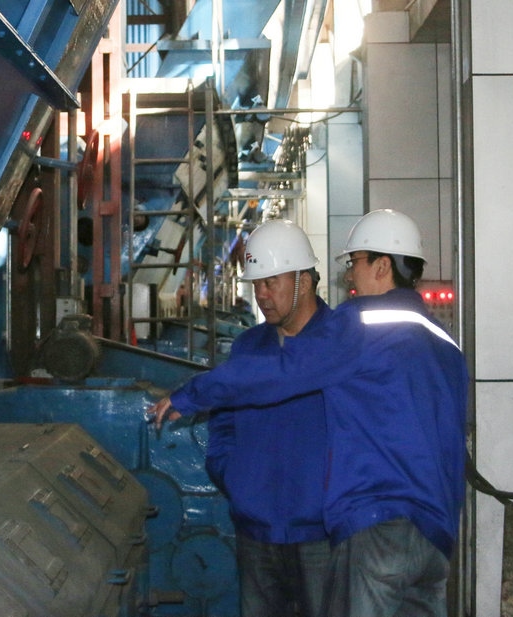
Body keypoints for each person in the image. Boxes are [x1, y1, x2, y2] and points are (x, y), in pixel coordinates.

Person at [149, 209, 469, 617]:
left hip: (376, 522)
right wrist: (238, 479)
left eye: (355, 262)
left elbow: (283, 372)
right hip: (435, 532)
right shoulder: (445, 343)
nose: (349, 275)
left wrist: (190, 395)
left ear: (383, 266)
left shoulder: (359, 325)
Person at [205, 220, 332, 617]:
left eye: (270, 282)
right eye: (257, 284)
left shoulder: (340, 344)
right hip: (256, 530)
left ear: (303, 281)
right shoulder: (248, 347)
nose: (261, 294)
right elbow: (223, 422)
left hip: (323, 533)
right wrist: (235, 478)